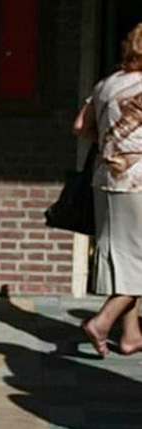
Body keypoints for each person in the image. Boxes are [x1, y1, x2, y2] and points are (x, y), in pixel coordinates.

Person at [74, 22, 142, 358]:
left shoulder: (106, 84)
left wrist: (109, 141)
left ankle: (130, 335)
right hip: (138, 181)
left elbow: (80, 127)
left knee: (129, 259)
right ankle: (101, 323)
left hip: (105, 179)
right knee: (139, 261)